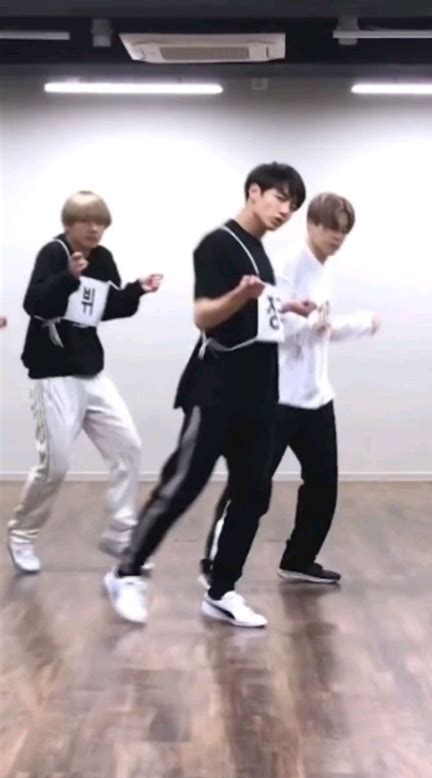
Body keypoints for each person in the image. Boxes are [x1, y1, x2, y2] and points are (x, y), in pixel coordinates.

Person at [104, 162, 307, 627]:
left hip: (260, 392)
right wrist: (239, 297)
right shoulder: (218, 244)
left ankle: (221, 591)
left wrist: (286, 305)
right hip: (217, 390)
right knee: (184, 484)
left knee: (253, 494)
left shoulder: (259, 251)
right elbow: (204, 316)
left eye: (293, 206)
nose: (285, 210)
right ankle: (126, 573)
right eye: (280, 198)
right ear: (254, 192)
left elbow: (256, 312)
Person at [200, 192, 381, 588]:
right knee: (251, 485)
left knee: (323, 484)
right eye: (331, 228)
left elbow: (323, 330)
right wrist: (313, 324)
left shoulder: (324, 269)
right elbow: (271, 324)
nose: (337, 237)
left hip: (316, 397)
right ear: (311, 225)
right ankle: (214, 561)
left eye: (344, 231)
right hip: (278, 398)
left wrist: (361, 324)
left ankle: (299, 559)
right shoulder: (285, 266)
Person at [7, 190, 162, 574]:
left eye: (101, 223)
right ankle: (22, 533)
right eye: (86, 222)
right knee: (55, 465)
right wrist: (68, 278)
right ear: (69, 224)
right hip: (53, 374)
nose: (95, 229)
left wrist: (137, 289)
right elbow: (34, 304)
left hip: (91, 371)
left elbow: (106, 308)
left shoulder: (103, 258)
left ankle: (121, 534)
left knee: (128, 447)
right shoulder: (54, 253)